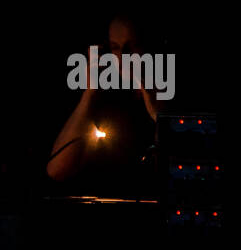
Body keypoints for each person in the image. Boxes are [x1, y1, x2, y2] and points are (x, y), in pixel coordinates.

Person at [46, 13, 160, 190]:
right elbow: (57, 171)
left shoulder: (167, 95)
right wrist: (89, 92)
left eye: (133, 46)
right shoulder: (108, 98)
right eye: (115, 47)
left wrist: (157, 113)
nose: (124, 55)